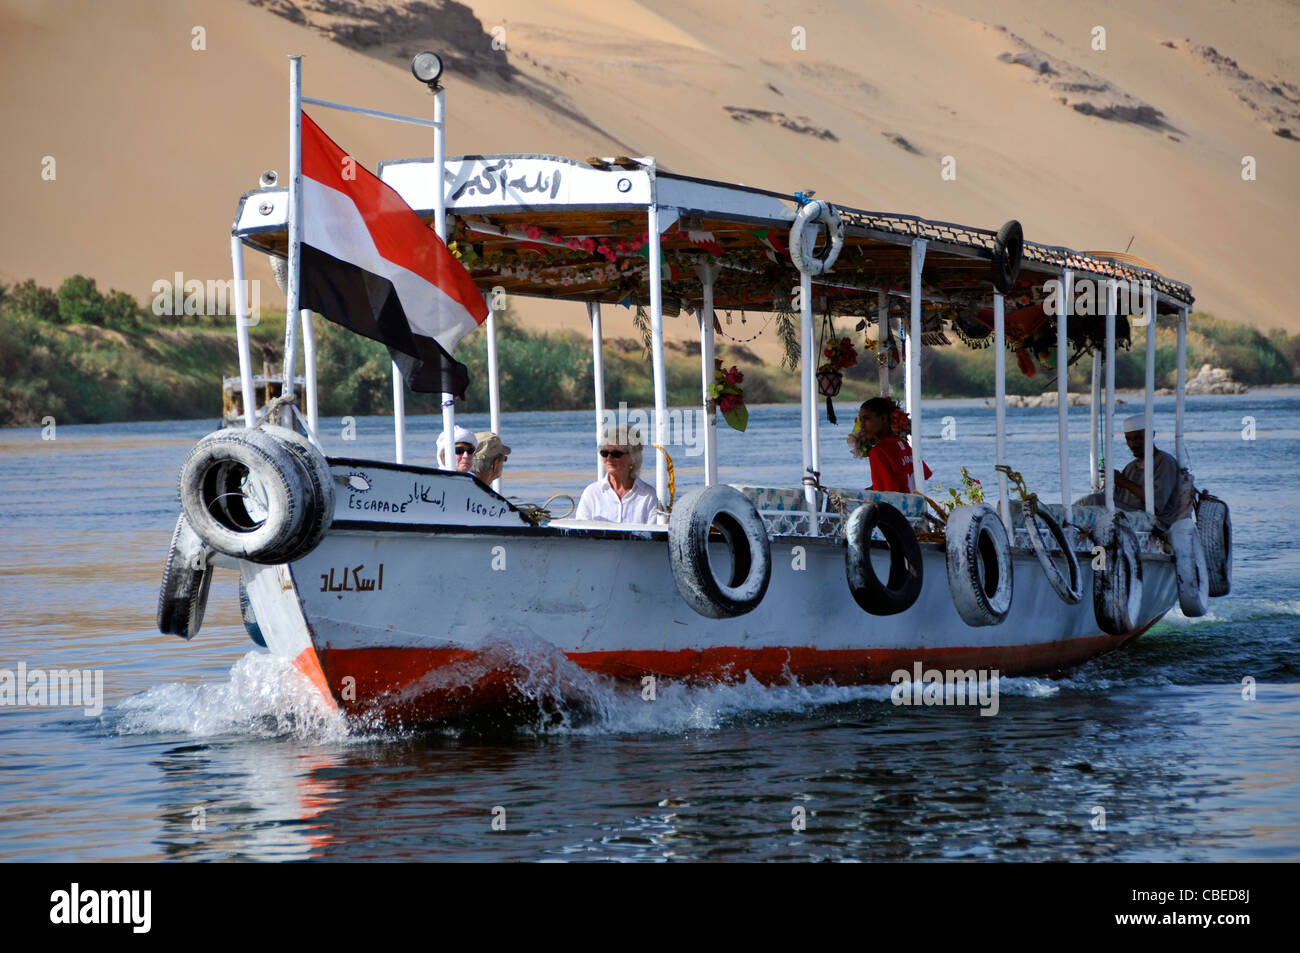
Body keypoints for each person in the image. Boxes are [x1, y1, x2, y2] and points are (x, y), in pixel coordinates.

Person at [1111, 415, 1183, 532]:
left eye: (1138, 438)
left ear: (1151, 435)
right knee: (1096, 501)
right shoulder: (1130, 468)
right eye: (1128, 439)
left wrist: (1124, 482)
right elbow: (1115, 500)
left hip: (1157, 522)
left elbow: (1156, 503)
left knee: (1095, 500)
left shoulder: (1164, 462)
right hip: (1128, 517)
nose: (1133, 444)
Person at [575, 423, 658, 523]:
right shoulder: (591, 493)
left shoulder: (648, 495)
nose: (609, 458)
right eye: (604, 453)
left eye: (616, 454)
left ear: (633, 458)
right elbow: (581, 533)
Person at [855, 397, 931, 493]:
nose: (862, 425)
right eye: (860, 420)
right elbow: (922, 475)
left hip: (899, 507)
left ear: (883, 418)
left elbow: (887, 495)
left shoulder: (878, 452)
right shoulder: (903, 444)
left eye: (867, 419)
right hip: (914, 504)